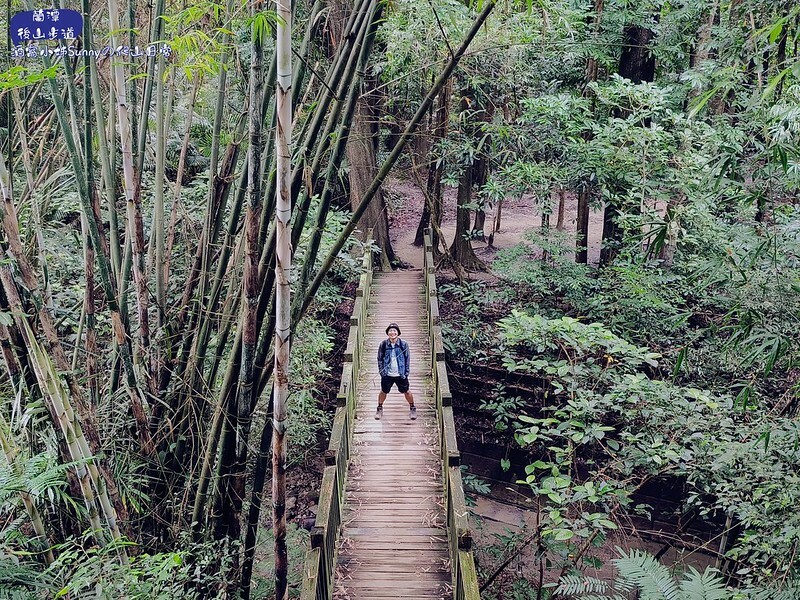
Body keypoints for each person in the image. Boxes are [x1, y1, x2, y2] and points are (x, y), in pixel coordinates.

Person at [376, 322, 416, 420]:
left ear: (398, 333)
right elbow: (380, 359)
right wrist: (382, 372)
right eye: (390, 331)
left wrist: (406, 372)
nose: (392, 333)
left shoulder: (403, 344)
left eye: (394, 331)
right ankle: (379, 408)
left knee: (406, 391)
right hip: (387, 374)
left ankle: (412, 407)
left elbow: (407, 359)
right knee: (383, 391)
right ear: (388, 333)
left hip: (400, 373)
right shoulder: (384, 344)